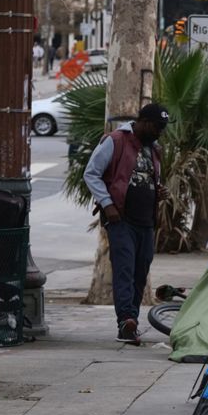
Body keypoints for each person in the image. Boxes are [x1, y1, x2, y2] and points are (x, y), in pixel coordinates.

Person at [82, 103, 171, 344]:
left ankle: (132, 319)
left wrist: (157, 191)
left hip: (146, 221)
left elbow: (146, 179)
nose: (159, 132)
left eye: (162, 128)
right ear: (143, 121)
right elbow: (91, 173)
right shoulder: (116, 140)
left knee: (140, 271)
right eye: (156, 126)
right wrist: (107, 203)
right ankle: (126, 322)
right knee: (124, 269)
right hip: (121, 219)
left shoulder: (154, 149)